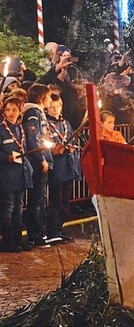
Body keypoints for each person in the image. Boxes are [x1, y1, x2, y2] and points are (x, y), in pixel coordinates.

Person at [45, 94, 80, 243]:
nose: (55, 109)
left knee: (65, 201)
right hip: (56, 168)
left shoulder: (65, 123)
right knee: (56, 200)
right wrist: (53, 148)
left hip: (68, 165)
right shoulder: (46, 123)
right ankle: (52, 230)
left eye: (57, 106)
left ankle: (60, 228)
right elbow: (44, 141)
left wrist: (72, 147)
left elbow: (71, 136)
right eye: (52, 107)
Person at [22, 84, 54, 247]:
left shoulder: (38, 112)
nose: (50, 99)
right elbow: (33, 138)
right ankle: (35, 235)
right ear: (42, 97)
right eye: (48, 96)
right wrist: (41, 159)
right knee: (36, 198)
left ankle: (39, 232)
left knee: (40, 198)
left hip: (41, 159)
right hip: (36, 162)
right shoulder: (33, 113)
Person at [0, 97, 33, 252]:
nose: (11, 113)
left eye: (14, 110)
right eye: (8, 110)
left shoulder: (20, 129)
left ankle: (18, 239)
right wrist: (7, 158)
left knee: (19, 207)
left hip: (20, 174)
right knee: (8, 208)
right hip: (7, 174)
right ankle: (8, 241)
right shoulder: (1, 129)